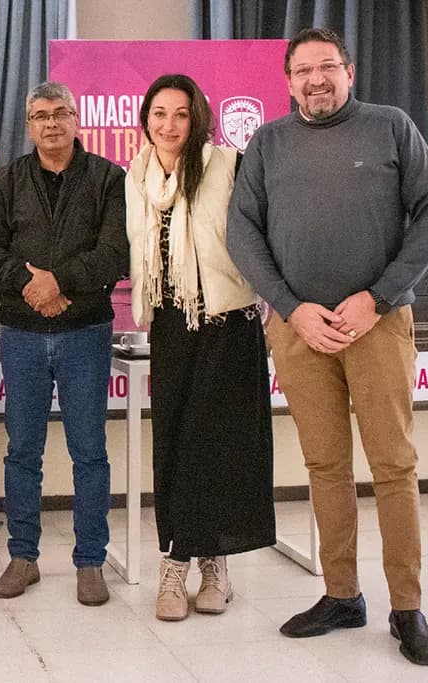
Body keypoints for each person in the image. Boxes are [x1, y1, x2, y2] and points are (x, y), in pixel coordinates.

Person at [227, 27, 428, 666]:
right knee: (325, 468)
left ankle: (406, 606)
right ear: (288, 80)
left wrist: (377, 297)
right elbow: (242, 231)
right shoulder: (267, 143)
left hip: (377, 326)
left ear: (349, 72)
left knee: (393, 466)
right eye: (304, 70)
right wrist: (293, 309)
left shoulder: (391, 127)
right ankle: (342, 594)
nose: (316, 79)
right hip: (300, 333)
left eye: (328, 66)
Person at [125, 75, 275, 621]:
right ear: (146, 119)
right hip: (171, 323)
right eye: (159, 113)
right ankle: (174, 562)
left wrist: (274, 294)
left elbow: (262, 233)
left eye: (180, 114)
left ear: (199, 118)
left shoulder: (227, 166)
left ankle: (211, 564)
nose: (168, 125)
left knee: (217, 447)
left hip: (226, 323)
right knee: (173, 444)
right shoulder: (136, 175)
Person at [0, 81, 127, 605]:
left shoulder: (109, 178)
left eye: (61, 113)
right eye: (41, 115)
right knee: (23, 452)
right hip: (22, 333)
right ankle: (24, 557)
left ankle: (90, 562)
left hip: (85, 332)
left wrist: (59, 283)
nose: (52, 123)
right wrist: (29, 284)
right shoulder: (7, 180)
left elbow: (115, 252)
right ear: (29, 125)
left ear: (77, 118)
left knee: (89, 452)